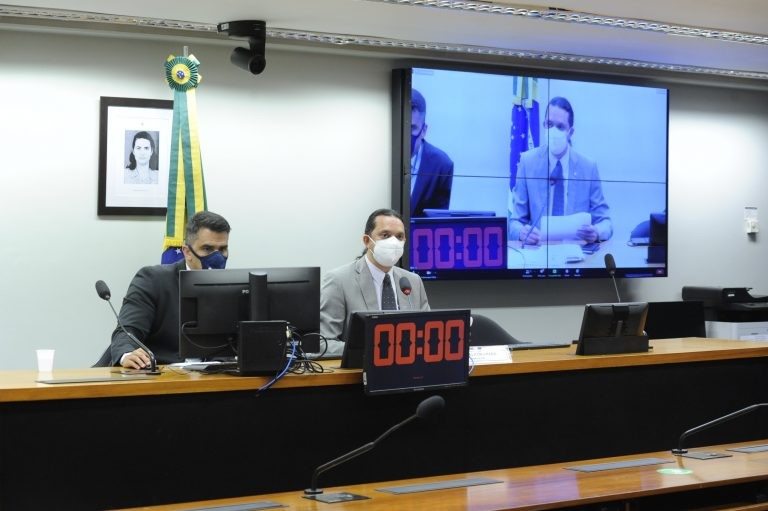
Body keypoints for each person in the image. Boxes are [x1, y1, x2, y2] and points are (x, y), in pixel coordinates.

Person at [110, 211, 231, 369]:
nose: (217, 257)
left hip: (212, 380)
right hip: (160, 377)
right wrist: (127, 353)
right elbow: (128, 330)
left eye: (222, 249)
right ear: (187, 252)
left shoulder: (234, 287)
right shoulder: (153, 280)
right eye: (207, 249)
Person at [319, 208, 430, 358]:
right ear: (367, 241)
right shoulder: (338, 280)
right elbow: (323, 343)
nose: (393, 242)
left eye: (399, 236)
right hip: (360, 374)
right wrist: (374, 350)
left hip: (408, 372)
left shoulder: (412, 281)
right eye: (385, 235)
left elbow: (428, 335)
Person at [508, 96, 612, 245]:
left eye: (560, 127)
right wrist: (521, 232)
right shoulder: (527, 162)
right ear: (544, 124)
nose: (553, 131)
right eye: (549, 124)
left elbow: (606, 222)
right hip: (539, 254)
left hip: (578, 254)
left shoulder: (588, 167)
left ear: (571, 132)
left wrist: (596, 232)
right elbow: (515, 222)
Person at [410, 89, 454, 217]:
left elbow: (436, 224)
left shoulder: (442, 165)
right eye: (402, 126)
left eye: (412, 128)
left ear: (424, 130)